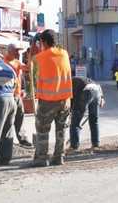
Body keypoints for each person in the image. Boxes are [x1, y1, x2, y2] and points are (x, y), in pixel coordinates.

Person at [33, 30, 73, 166]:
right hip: (65, 100)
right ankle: (58, 157)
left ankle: (42, 158)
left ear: (43, 42)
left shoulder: (40, 57)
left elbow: (30, 68)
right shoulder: (65, 54)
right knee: (61, 129)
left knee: (42, 129)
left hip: (48, 100)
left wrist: (33, 51)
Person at [5, 43, 33, 148]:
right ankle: (6, 142)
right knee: (8, 119)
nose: (17, 53)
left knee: (20, 117)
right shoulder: (4, 62)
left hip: (17, 95)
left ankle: (22, 139)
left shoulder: (16, 62)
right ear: (9, 51)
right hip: (8, 95)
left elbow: (28, 68)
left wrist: (29, 56)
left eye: (18, 51)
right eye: (16, 51)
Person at [69, 77, 105, 151]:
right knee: (94, 120)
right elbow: (97, 85)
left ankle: (74, 146)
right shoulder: (77, 80)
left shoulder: (68, 84)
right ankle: (95, 144)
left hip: (86, 91)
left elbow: (71, 100)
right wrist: (101, 98)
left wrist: (71, 113)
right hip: (97, 91)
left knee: (75, 123)